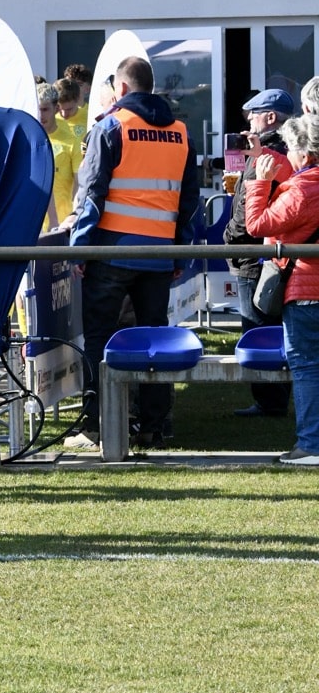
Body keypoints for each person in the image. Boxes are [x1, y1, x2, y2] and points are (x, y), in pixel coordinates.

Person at [68, 56, 201, 450]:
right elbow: (188, 202)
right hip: (158, 255)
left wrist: (80, 250)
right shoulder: (181, 133)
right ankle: (155, 426)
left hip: (111, 253)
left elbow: (92, 194)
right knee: (155, 338)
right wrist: (179, 254)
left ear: (121, 89)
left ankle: (96, 425)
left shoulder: (111, 127)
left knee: (99, 339)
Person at [244, 113, 319, 464]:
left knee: (305, 368)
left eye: (289, 149)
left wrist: (258, 184)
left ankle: (311, 445)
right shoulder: (305, 182)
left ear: (304, 154)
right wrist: (264, 155)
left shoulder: (302, 190)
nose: (287, 155)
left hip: (306, 294)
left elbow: (258, 224)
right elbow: (295, 177)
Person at [224, 88, 295, 418]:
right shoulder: (278, 152)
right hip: (260, 253)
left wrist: (228, 238)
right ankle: (275, 398)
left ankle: (270, 401)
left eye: (252, 115)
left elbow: (247, 213)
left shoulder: (268, 155)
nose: (248, 122)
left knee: (257, 329)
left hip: (253, 255)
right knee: (270, 326)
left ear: (269, 118)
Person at [36, 83, 83, 228]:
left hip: (62, 223)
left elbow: (80, 183)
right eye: (38, 110)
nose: (40, 115)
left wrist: (73, 216)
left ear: (56, 109)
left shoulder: (71, 141)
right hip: (33, 222)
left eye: (45, 110)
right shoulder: (29, 140)